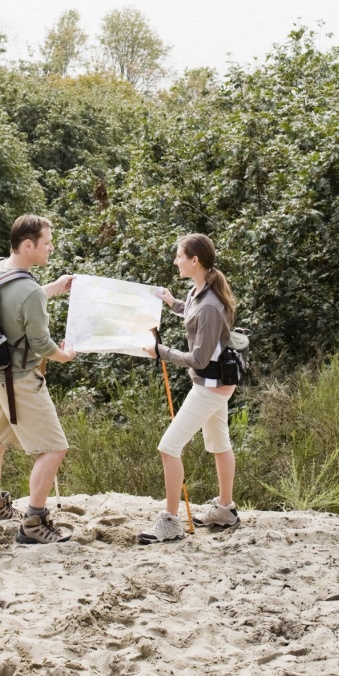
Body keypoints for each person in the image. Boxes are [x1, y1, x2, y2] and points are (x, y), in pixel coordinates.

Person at [0, 213, 77, 545]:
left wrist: (54, 287)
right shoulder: (29, 290)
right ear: (29, 244)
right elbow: (41, 344)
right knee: (54, 448)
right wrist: (64, 355)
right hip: (20, 380)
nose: (51, 248)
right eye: (47, 243)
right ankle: (34, 522)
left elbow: (13, 303)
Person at [139, 233, 240, 545]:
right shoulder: (200, 289)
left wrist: (161, 351)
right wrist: (172, 303)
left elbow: (198, 358)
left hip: (211, 386)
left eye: (179, 256)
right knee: (219, 444)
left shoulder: (210, 304)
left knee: (168, 448)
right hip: (217, 384)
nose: (175, 261)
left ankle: (170, 523)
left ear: (195, 260)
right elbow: (194, 313)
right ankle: (225, 510)